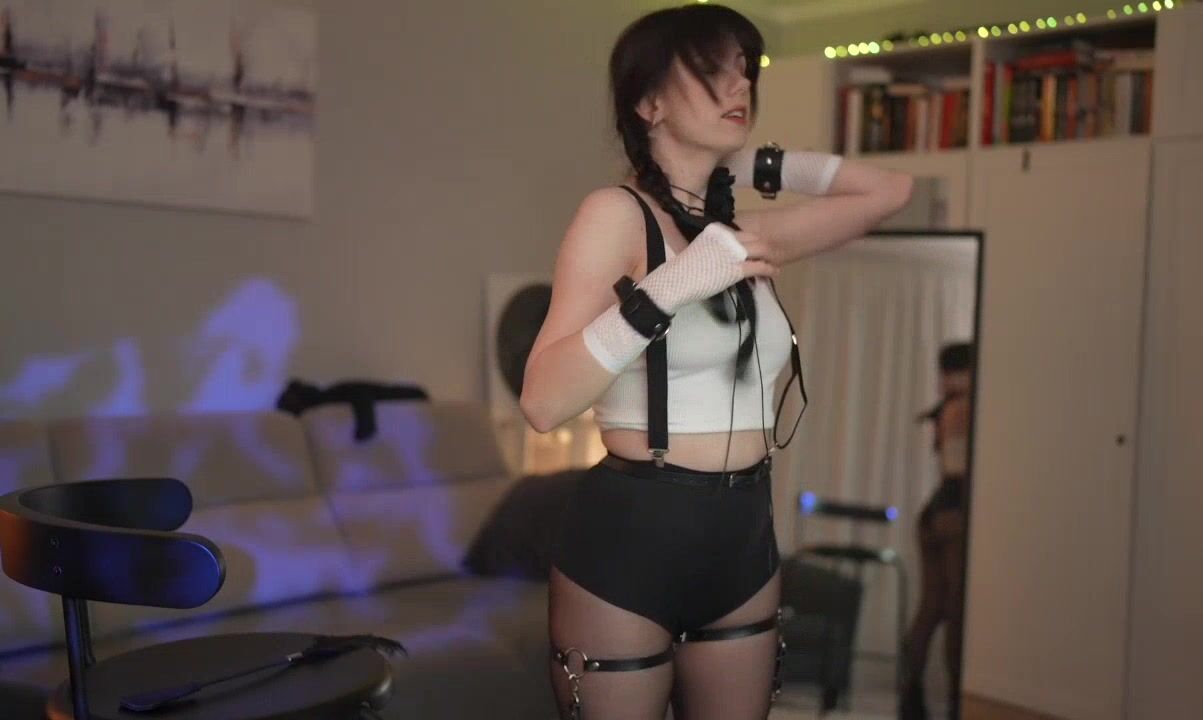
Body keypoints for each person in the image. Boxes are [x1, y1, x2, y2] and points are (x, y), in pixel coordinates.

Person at [519, 5, 914, 718]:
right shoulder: (615, 215)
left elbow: (889, 191)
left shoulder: (741, 234)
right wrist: (669, 288)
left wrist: (750, 161)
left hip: (743, 531)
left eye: (745, 70)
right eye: (711, 71)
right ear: (649, 103)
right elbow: (543, 402)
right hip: (633, 534)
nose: (740, 85)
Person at [902, 342, 975, 720]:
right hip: (955, 513)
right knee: (955, 610)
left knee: (932, 607)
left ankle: (911, 696)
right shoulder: (966, 407)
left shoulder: (947, 408)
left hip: (937, 512)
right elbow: (962, 470)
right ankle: (955, 702)